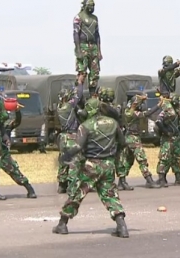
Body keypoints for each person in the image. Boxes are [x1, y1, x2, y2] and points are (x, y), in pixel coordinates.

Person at [53, 98, 128, 238]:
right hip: (109, 165)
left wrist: (65, 156)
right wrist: (114, 156)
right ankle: (122, 226)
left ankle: (62, 224)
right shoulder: (113, 123)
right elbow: (123, 143)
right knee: (110, 195)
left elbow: (78, 147)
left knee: (77, 193)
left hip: (91, 165)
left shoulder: (86, 126)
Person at [0, 105, 37, 198]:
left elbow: (17, 121)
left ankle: (29, 188)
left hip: (3, 152)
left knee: (13, 170)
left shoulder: (7, 125)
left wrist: (17, 111)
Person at [117, 93, 160, 190]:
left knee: (128, 161)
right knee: (142, 159)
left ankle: (121, 182)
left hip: (128, 138)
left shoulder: (127, 111)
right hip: (133, 138)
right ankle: (149, 180)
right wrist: (158, 105)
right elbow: (147, 114)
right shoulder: (132, 112)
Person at [56, 74, 85, 194]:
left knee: (64, 161)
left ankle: (62, 184)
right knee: (74, 161)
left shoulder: (60, 107)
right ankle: (72, 185)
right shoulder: (69, 106)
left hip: (63, 138)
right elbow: (78, 95)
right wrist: (79, 83)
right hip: (72, 137)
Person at [73, 0, 103, 96]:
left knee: (95, 73)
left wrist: (99, 51)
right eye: (90, 5)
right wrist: (78, 50)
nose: (92, 7)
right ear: (85, 6)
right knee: (82, 72)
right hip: (83, 46)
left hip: (93, 47)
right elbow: (76, 33)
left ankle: (92, 96)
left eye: (93, 5)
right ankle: (78, 95)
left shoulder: (95, 18)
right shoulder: (78, 17)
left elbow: (97, 35)